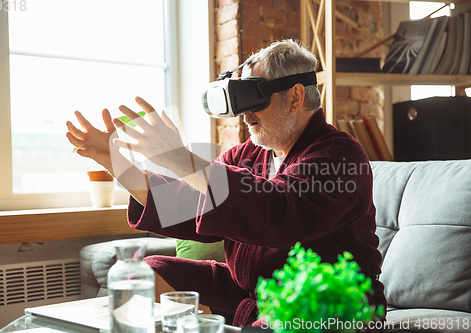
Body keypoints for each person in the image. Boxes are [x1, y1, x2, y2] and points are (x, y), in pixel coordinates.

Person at [66, 39, 386, 327]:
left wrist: (180, 158)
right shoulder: (246, 154)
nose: (246, 116)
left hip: (325, 300)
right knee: (147, 272)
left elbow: (279, 212)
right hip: (248, 294)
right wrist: (114, 162)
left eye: (256, 100)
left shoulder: (339, 155)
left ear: (296, 96)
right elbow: (187, 204)